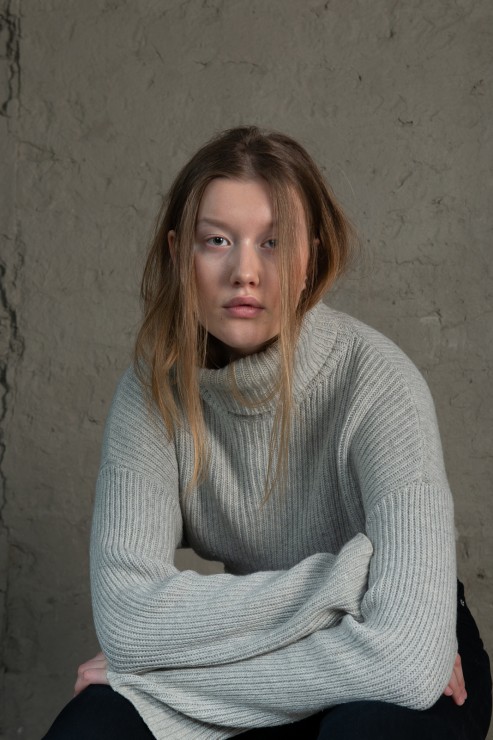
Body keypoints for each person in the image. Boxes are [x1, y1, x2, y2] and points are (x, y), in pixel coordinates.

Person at [43, 126, 492, 739]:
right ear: (178, 254)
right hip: (252, 637)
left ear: (311, 258)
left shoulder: (379, 384)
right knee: (90, 729)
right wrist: (346, 582)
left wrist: (161, 679)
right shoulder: (152, 394)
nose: (245, 272)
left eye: (273, 242)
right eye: (217, 241)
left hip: (388, 639)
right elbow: (129, 620)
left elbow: (408, 661)